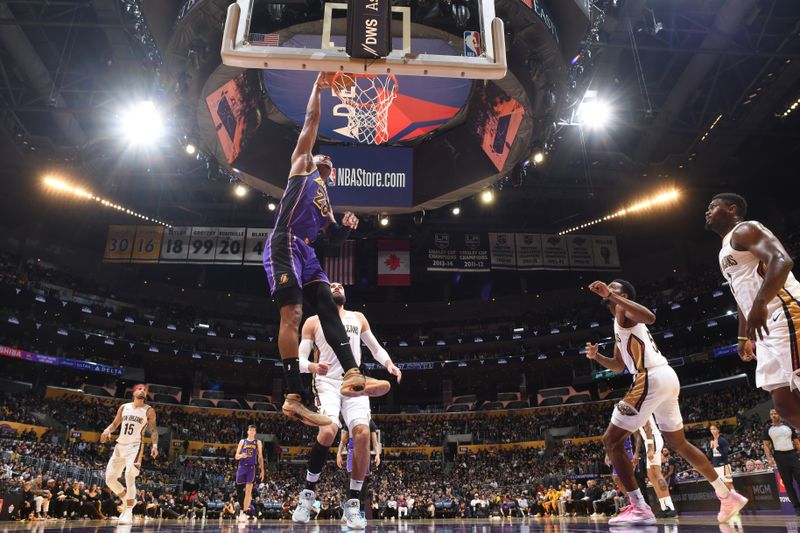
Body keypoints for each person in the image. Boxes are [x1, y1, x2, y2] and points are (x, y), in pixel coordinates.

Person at [263, 72, 390, 426]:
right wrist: (318, 87)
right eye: (324, 158)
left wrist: (345, 229)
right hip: (284, 241)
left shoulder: (325, 201)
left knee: (328, 309)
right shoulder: (301, 168)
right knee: (292, 315)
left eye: (330, 164)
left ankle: (353, 373)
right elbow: (311, 121)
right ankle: (294, 394)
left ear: (332, 175)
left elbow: (332, 239)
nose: (326, 161)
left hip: (307, 254)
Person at [586, 279, 748, 525]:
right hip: (664, 377)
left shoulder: (623, 309)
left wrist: (613, 295)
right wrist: (597, 356)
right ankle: (726, 495)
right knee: (677, 442)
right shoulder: (618, 320)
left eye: (614, 288)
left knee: (611, 440)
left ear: (625, 294)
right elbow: (619, 366)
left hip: (650, 377)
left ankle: (640, 507)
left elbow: (650, 317)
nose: (608, 289)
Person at [290, 282, 402, 529]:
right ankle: (308, 495)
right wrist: (312, 366)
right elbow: (299, 359)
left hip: (354, 381)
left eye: (340, 284)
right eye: (331, 284)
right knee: (329, 430)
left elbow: (374, 347)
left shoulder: (358, 317)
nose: (337, 285)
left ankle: (353, 503)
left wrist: (390, 364)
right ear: (324, 294)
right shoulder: (313, 321)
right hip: (327, 382)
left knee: (362, 433)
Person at [705, 193, 800, 425]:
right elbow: (741, 294)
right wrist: (742, 334)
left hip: (784, 312)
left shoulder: (745, 229)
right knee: (784, 403)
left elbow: (782, 260)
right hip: (764, 329)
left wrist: (759, 304)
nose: (707, 212)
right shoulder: (724, 248)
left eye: (713, 207)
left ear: (732, 209)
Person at [101, 383, 159, 524]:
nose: (143, 391)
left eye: (145, 390)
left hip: (135, 446)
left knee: (129, 475)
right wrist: (107, 431)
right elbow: (115, 424)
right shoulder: (124, 407)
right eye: (140, 389)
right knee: (109, 479)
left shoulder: (149, 410)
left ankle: (128, 511)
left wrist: (155, 445)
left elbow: (154, 430)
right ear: (134, 392)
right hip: (120, 445)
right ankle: (128, 500)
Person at [762, 408, 800, 515]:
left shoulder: (788, 426)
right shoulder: (768, 429)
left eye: (775, 413)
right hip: (779, 457)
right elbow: (766, 444)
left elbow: (796, 442)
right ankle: (797, 507)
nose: (773, 415)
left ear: (780, 414)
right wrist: (769, 458)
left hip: (792, 455)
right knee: (788, 484)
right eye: (771, 414)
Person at [637, 415, 676, 517]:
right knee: (651, 476)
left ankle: (671, 508)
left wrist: (650, 448)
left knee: (657, 473)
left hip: (652, 440)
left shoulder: (642, 408)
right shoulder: (635, 411)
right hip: (649, 441)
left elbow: (648, 429)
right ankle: (664, 508)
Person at [234, 424, 265, 522]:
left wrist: (262, 470)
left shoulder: (258, 442)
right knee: (239, 491)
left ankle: (244, 512)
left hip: (252, 468)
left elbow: (260, 457)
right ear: (247, 431)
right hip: (242, 467)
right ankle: (242, 510)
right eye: (250, 430)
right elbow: (236, 456)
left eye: (253, 430)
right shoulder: (242, 441)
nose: (251, 431)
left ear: (255, 432)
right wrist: (241, 455)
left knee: (248, 492)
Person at [709, 424, 733, 489]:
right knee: (720, 487)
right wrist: (711, 448)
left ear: (718, 430)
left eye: (714, 429)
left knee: (728, 485)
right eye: (711, 429)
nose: (712, 431)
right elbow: (710, 456)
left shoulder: (723, 440)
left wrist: (717, 447)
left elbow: (725, 455)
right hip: (716, 467)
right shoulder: (712, 441)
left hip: (724, 466)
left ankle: (736, 498)